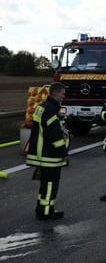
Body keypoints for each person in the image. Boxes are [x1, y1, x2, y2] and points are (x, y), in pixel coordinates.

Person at [26, 82, 69, 220]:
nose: (63, 96)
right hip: (49, 155)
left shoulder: (41, 107)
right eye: (62, 93)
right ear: (55, 93)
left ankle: (41, 208)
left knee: (45, 184)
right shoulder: (51, 110)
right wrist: (64, 153)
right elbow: (55, 135)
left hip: (40, 153)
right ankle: (46, 212)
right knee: (50, 184)